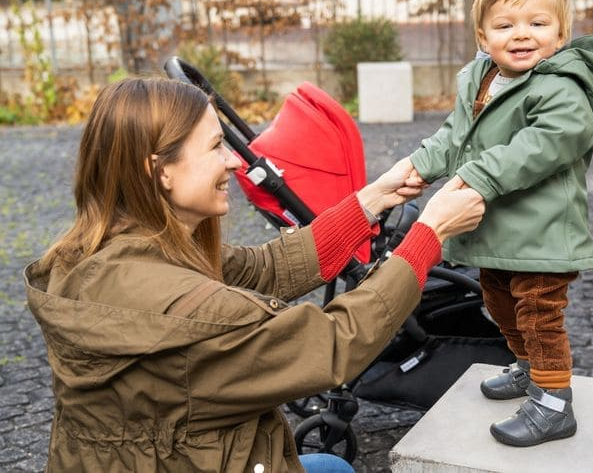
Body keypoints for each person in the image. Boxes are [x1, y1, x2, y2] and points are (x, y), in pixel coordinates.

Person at [23, 77, 485, 472]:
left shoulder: (101, 255)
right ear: (159, 170)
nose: (233, 161)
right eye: (213, 147)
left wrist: (370, 200)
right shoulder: (188, 311)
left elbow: (264, 268)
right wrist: (430, 233)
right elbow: (334, 341)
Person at [400, 0, 593, 447]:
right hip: (499, 231)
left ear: (562, 33)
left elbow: (547, 143)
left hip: (544, 230)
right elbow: (455, 134)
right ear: (484, 36)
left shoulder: (562, 88)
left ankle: (553, 404)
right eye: (506, 25)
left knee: (539, 311)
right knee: (498, 302)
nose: (522, 35)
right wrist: (423, 164)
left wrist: (478, 176)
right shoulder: (481, 78)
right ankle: (529, 367)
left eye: (537, 23)